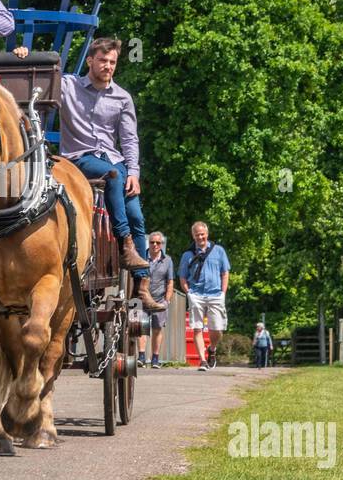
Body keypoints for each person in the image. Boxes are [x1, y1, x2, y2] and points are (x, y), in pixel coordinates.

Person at [59, 38, 163, 312]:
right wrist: (22, 55)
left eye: (113, 62)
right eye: (103, 60)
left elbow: (129, 140)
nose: (108, 66)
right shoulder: (68, 86)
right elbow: (41, 80)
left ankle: (142, 286)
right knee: (113, 177)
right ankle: (125, 244)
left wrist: (135, 173)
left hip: (114, 161)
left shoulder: (122, 97)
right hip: (80, 158)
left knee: (137, 215)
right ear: (90, 60)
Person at [178, 221, 229, 371]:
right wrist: (189, 293)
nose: (200, 237)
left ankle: (212, 349)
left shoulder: (219, 251)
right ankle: (202, 361)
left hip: (215, 294)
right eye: (197, 234)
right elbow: (182, 277)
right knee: (197, 328)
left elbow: (225, 272)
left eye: (202, 234)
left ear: (207, 234)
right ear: (193, 236)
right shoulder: (187, 255)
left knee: (217, 329)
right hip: (197, 294)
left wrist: (223, 293)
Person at [138, 231, 174, 367]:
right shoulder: (141, 257)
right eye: (152, 242)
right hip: (142, 298)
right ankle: (141, 357)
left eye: (158, 243)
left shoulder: (168, 260)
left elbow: (170, 282)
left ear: (161, 244)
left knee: (157, 328)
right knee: (140, 327)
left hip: (159, 299)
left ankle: (155, 358)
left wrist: (167, 300)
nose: (154, 245)